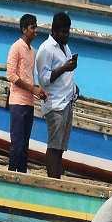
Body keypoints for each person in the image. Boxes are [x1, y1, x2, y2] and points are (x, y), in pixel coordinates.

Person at [35, 11, 78, 179]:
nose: (66, 35)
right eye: (63, 32)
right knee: (54, 145)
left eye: (68, 31)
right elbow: (44, 79)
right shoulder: (46, 50)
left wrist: (74, 86)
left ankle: (57, 176)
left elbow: (64, 74)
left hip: (67, 101)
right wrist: (64, 68)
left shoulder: (65, 46)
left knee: (61, 146)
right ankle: (53, 180)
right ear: (54, 31)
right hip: (55, 104)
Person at [6, 13, 46, 173]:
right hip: (17, 101)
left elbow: (29, 77)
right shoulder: (16, 47)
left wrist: (38, 91)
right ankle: (11, 173)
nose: (35, 30)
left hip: (29, 102)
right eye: (32, 27)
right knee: (17, 142)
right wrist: (32, 89)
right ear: (24, 29)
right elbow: (11, 75)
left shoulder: (32, 51)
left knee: (25, 143)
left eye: (36, 27)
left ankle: (21, 174)